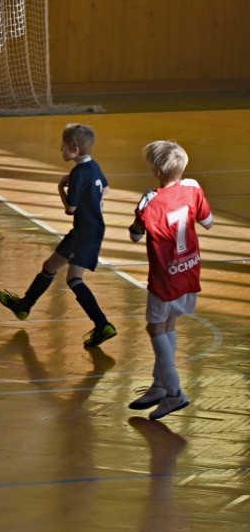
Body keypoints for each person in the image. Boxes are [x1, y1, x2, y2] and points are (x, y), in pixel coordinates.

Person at [0, 123, 117, 348]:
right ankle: (24, 306)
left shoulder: (78, 172)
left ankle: (103, 324)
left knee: (74, 278)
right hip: (86, 230)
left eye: (63, 146)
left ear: (75, 148)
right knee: (50, 266)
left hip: (86, 232)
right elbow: (106, 190)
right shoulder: (93, 166)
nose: (61, 149)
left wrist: (61, 188)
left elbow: (70, 208)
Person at [126, 140, 213, 420]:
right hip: (189, 268)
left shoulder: (150, 200)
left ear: (156, 171)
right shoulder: (193, 188)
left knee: (154, 328)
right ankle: (159, 386)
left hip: (165, 275)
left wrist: (137, 226)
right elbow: (208, 221)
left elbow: (135, 234)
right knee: (168, 324)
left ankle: (174, 391)